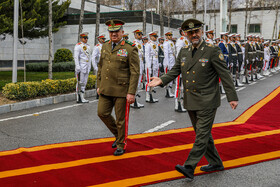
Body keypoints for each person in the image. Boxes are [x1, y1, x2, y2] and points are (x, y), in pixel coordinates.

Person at [148, 18, 238, 181]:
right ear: (185, 34)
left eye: (196, 31)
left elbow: (224, 73)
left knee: (202, 133)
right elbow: (175, 70)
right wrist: (161, 80)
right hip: (191, 100)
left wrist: (232, 96)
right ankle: (216, 162)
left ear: (201, 32)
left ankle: (189, 166)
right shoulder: (183, 52)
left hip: (208, 100)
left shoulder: (212, 50)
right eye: (190, 32)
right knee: (202, 134)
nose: (194, 35)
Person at [97, 19, 140, 156]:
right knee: (102, 113)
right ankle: (118, 135)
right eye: (111, 31)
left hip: (122, 90)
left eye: (116, 31)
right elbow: (100, 66)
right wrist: (99, 85)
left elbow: (135, 71)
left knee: (121, 120)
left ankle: (121, 144)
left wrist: (131, 92)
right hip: (106, 88)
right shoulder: (105, 46)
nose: (113, 34)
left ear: (122, 32)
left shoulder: (130, 47)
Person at [74, 32, 91, 103]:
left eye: (87, 38)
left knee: (84, 82)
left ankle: (83, 97)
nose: (86, 39)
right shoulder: (78, 46)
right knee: (80, 82)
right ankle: (78, 97)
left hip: (86, 66)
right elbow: (76, 57)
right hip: (81, 66)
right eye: (84, 38)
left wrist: (89, 66)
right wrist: (77, 66)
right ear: (81, 38)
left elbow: (89, 57)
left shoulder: (88, 46)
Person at [145, 31, 160, 103]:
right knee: (149, 80)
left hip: (155, 62)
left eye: (156, 36)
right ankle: (148, 96)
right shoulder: (148, 44)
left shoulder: (155, 44)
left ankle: (151, 95)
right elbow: (147, 56)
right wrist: (148, 66)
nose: (156, 38)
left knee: (154, 79)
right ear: (151, 37)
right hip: (150, 63)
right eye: (154, 36)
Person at [131, 29, 145, 109]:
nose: (141, 36)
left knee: (138, 83)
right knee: (135, 83)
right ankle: (134, 101)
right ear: (135, 35)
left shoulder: (140, 43)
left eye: (141, 34)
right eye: (139, 34)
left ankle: (135, 100)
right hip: (136, 64)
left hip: (141, 63)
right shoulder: (134, 43)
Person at [92, 34, 106, 99]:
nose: (104, 40)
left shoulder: (105, 46)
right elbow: (93, 57)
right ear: (99, 39)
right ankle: (98, 94)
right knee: (99, 79)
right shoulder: (97, 47)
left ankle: (103, 92)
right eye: (102, 39)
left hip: (105, 65)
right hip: (99, 65)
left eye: (104, 39)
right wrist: (95, 67)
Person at [163, 31, 176, 98]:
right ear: (166, 36)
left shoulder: (171, 42)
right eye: (169, 35)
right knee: (168, 77)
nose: (170, 36)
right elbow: (166, 54)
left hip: (172, 59)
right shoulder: (166, 43)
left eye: (171, 35)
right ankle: (168, 91)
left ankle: (170, 91)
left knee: (171, 77)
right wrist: (167, 63)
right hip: (168, 61)